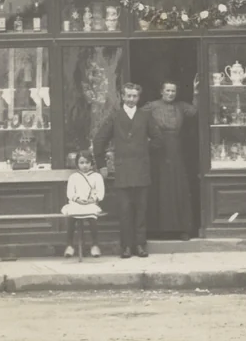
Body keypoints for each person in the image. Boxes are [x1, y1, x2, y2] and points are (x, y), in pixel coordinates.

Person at [94, 82, 161, 259]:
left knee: (141, 210)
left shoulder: (145, 116)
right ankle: (126, 247)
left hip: (141, 170)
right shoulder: (115, 116)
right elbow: (99, 140)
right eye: (128, 96)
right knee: (124, 210)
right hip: (122, 171)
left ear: (139, 98)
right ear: (123, 97)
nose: (132, 99)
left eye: (135, 96)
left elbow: (158, 139)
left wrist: (145, 150)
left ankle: (140, 245)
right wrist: (102, 165)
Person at [143, 78, 198, 240]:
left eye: (173, 91)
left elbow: (195, 111)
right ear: (161, 91)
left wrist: (196, 92)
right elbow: (137, 119)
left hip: (175, 150)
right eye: (167, 90)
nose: (170, 93)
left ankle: (181, 229)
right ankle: (157, 230)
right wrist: (145, 138)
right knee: (159, 187)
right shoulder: (151, 106)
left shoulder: (180, 106)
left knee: (177, 187)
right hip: (158, 151)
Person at [61, 150, 106, 258]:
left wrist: (92, 199)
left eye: (87, 162)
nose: (84, 165)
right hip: (76, 203)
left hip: (90, 203)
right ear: (77, 164)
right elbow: (70, 193)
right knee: (71, 217)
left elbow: (100, 192)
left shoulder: (97, 177)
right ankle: (70, 245)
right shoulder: (74, 177)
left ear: (91, 163)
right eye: (81, 163)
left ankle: (95, 245)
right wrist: (77, 200)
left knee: (92, 217)